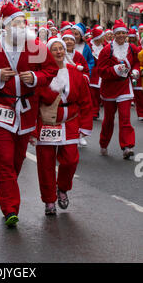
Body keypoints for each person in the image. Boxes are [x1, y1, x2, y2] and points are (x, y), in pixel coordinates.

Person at [0, 3, 58, 227]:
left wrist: (37, 78)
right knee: (4, 159)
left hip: (27, 110)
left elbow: (51, 70)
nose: (22, 26)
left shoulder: (37, 47)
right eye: (17, 23)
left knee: (17, 159)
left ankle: (7, 190)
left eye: (23, 22)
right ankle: (10, 208)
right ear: (7, 26)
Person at [32, 37, 93, 216]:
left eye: (61, 49)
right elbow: (35, 102)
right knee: (46, 164)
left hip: (70, 122)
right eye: (55, 49)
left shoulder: (74, 72)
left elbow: (85, 100)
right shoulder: (42, 74)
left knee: (71, 160)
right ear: (48, 55)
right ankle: (49, 200)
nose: (59, 52)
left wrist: (85, 125)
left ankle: (63, 188)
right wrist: (33, 130)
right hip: (47, 122)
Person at [98, 19, 137, 159]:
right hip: (109, 89)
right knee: (108, 120)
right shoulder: (106, 50)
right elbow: (101, 71)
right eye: (118, 33)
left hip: (124, 88)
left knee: (125, 118)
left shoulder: (132, 48)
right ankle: (103, 143)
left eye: (123, 33)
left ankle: (127, 146)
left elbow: (137, 62)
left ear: (126, 34)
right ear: (114, 35)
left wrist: (136, 71)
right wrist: (115, 70)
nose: (121, 35)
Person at [87, 27, 106, 120]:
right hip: (92, 73)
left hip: (102, 73)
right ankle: (94, 111)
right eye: (102, 37)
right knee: (92, 94)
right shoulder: (89, 46)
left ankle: (96, 109)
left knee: (99, 94)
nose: (104, 38)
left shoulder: (105, 46)